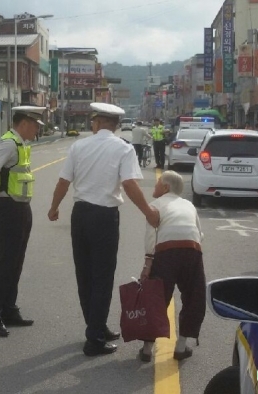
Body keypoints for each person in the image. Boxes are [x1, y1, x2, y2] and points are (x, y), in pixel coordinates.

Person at [48, 102, 160, 357]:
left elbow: (64, 181)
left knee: (85, 274)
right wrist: (148, 212)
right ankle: (94, 338)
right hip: (104, 217)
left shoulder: (80, 145)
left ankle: (95, 326)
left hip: (80, 215)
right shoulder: (123, 148)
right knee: (102, 277)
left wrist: (54, 207)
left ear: (97, 122)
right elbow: (129, 184)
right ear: (116, 125)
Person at [0, 106, 46, 337]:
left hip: (20, 207)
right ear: (25, 123)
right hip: (7, 209)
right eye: (36, 125)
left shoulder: (21, 144)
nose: (37, 130)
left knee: (16, 262)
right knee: (5, 263)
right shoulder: (8, 143)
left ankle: (9, 309)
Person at [137, 170, 206, 362]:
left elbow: (152, 234)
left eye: (157, 183)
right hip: (192, 249)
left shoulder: (156, 205)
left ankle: (147, 350)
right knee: (194, 296)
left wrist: (148, 263)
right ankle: (182, 346)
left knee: (157, 297)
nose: (155, 186)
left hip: (166, 251)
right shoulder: (189, 205)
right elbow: (200, 234)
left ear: (166, 187)